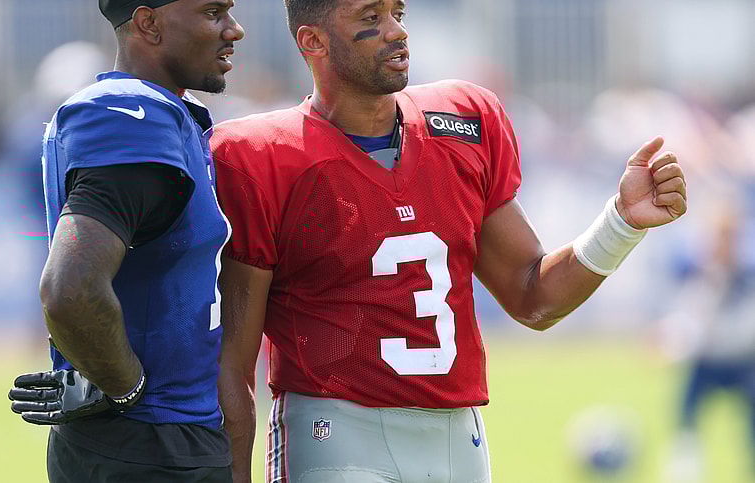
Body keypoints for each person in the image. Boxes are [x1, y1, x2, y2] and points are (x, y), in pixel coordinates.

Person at [211, 1, 688, 482]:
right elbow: (233, 365)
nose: (396, 31)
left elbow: (533, 298)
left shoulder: (462, 123)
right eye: (371, 18)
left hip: (460, 444)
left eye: (398, 13)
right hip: (335, 434)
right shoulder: (260, 156)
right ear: (313, 41)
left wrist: (621, 223)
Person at [6, 1, 244, 481]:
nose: (233, 30)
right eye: (212, 12)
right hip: (149, 440)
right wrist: (125, 387)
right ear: (148, 23)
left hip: (163, 435)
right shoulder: (132, 113)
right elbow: (70, 288)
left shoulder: (169, 111)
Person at [660, 202, 755, 483]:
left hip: (743, 360)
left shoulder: (747, 273)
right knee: (686, 411)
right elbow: (688, 313)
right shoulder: (698, 271)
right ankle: (685, 469)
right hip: (707, 359)